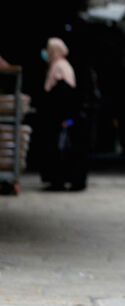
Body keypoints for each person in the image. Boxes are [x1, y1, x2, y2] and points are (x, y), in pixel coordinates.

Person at [35, 37, 87, 192]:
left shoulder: (60, 67)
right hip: (62, 117)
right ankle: (60, 179)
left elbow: (64, 94)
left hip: (61, 117)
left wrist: (66, 118)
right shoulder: (59, 66)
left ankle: (60, 179)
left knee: (60, 149)